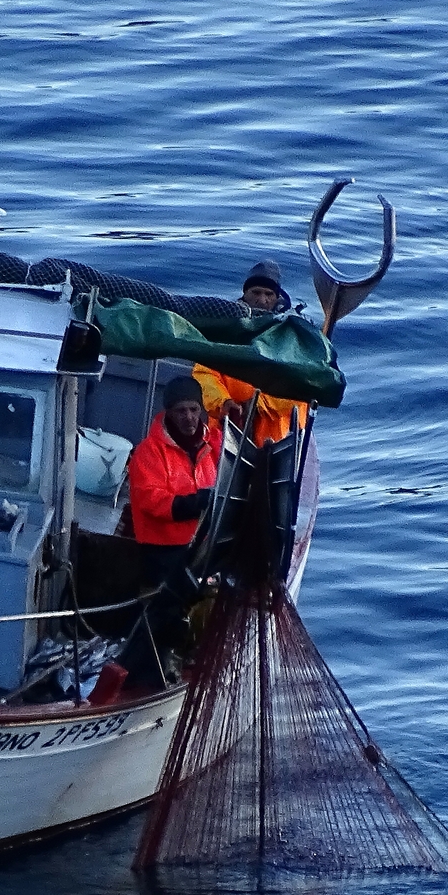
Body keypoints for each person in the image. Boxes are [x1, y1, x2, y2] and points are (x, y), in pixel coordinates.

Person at [122, 376, 219, 685]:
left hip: (200, 548)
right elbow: (153, 501)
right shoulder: (147, 454)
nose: (189, 418)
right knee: (162, 618)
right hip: (161, 553)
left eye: (193, 410)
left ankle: (194, 659)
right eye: (181, 411)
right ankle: (154, 673)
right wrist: (197, 503)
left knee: (210, 601)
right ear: (168, 413)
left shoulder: (211, 445)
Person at [195, 259, 309, 446]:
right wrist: (223, 403)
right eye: (256, 292)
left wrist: (258, 405)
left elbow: (300, 385)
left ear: (277, 298)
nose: (262, 300)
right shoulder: (226, 329)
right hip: (226, 433)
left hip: (279, 440)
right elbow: (204, 373)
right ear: (245, 294)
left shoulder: (293, 335)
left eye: (268, 294)